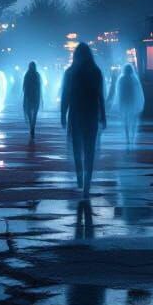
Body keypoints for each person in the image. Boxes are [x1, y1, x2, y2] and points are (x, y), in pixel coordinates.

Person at [60, 42, 106, 197]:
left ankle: (80, 176)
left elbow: (65, 94)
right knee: (89, 149)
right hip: (91, 114)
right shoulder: (96, 71)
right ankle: (87, 182)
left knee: (77, 147)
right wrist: (103, 116)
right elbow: (100, 96)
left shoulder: (70, 72)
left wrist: (63, 113)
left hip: (75, 114)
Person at [116, 62, 145, 147]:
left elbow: (119, 93)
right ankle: (132, 136)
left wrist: (119, 103)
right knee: (133, 120)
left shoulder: (121, 79)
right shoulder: (134, 79)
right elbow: (138, 92)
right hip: (132, 102)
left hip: (124, 102)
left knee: (126, 121)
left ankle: (128, 137)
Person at [22, 61, 42, 141]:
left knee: (29, 112)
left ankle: (31, 126)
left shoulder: (27, 75)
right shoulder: (37, 75)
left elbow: (24, 87)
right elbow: (39, 86)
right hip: (35, 96)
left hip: (29, 96)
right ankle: (32, 126)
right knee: (34, 114)